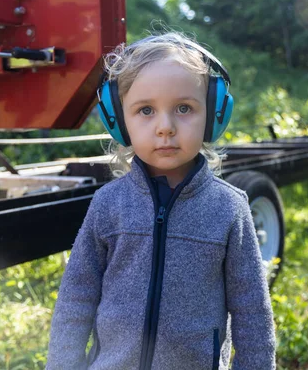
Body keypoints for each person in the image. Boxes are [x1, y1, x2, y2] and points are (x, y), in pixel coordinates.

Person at [46, 32, 276, 370]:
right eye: (146, 110)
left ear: (213, 115)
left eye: (184, 108)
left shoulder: (229, 209)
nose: (165, 127)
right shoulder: (107, 204)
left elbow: (252, 313)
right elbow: (75, 300)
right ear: (119, 121)